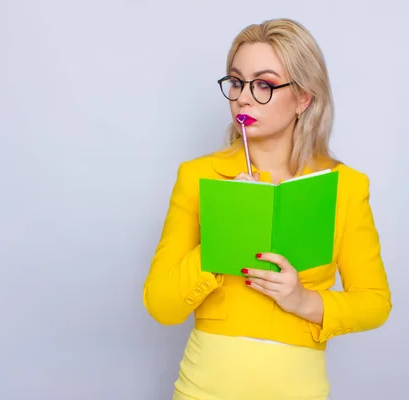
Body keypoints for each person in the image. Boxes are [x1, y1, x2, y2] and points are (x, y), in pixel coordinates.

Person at [143, 18, 392, 400]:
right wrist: (226, 231)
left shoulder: (344, 187)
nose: (243, 97)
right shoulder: (197, 177)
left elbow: (375, 303)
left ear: (304, 98)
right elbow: (161, 305)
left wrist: (304, 300)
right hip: (202, 390)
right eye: (237, 82)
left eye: (264, 84)